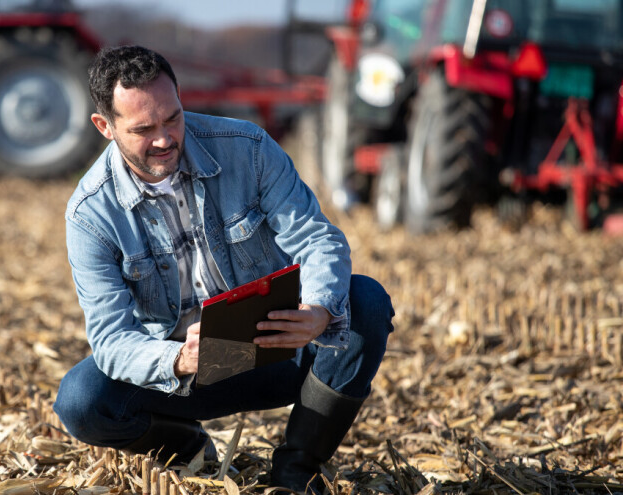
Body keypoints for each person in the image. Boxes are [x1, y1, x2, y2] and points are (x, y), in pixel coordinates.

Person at [54, 45, 394, 492]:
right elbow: (111, 341)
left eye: (172, 118)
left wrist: (317, 311)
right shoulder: (90, 215)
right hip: (184, 378)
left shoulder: (247, 149)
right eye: (143, 128)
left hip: (281, 352)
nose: (165, 138)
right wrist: (178, 358)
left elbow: (317, 239)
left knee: (363, 302)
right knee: (81, 401)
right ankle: (187, 449)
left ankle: (297, 471)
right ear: (105, 126)